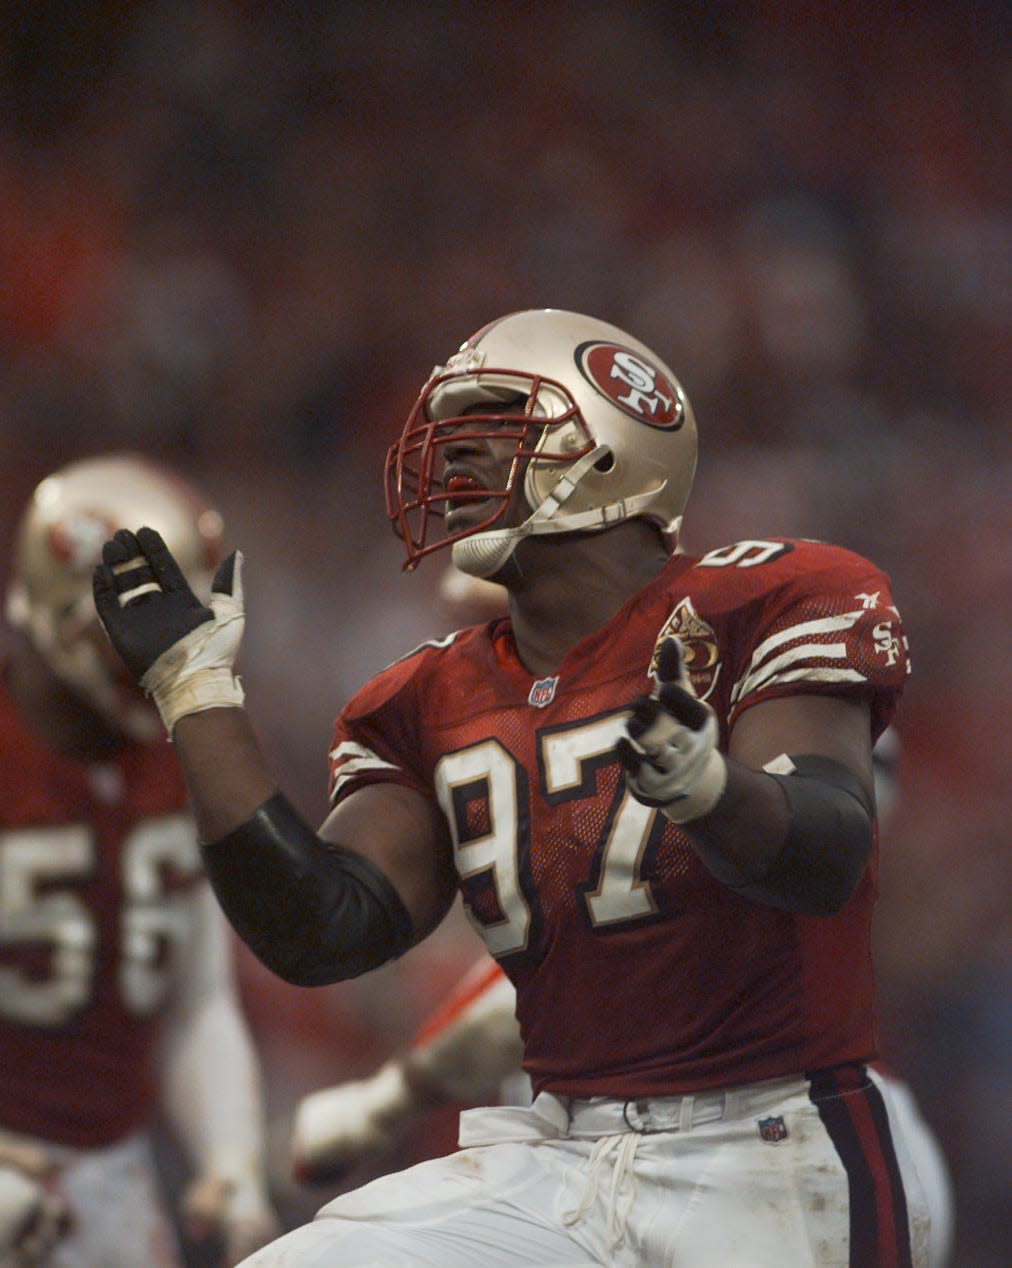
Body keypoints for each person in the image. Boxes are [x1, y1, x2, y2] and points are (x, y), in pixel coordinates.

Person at [93, 309, 936, 1266]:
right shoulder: (425, 694)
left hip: (767, 1148)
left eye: (494, 422)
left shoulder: (766, 600)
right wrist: (196, 696)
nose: (450, 463)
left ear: (613, 444)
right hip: (553, 1160)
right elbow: (324, 928)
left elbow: (826, 849)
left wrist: (710, 788)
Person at [288, 730, 955, 1268]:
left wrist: (382, 1102)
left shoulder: (712, 851)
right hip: (733, 1157)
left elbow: (503, 1013)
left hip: (769, 1152)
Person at [0, 454, 280, 1266]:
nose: (158, 652)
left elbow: (196, 995)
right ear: (59, 610)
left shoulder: (185, 748)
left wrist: (231, 1161)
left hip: (111, 1171)